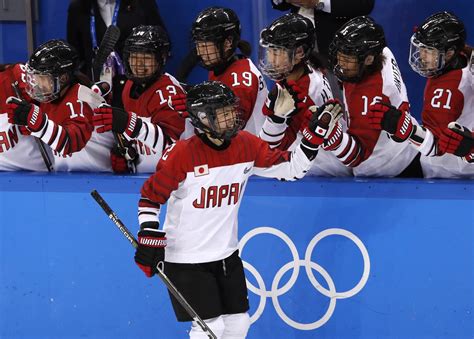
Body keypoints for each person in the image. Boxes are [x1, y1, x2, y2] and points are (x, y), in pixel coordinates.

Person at [132, 81, 341, 338]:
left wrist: (312, 139)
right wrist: (149, 232)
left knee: (238, 324)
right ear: (201, 118)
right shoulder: (181, 154)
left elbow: (293, 169)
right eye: (222, 114)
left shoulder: (246, 144)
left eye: (231, 111)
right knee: (211, 328)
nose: (231, 118)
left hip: (226, 255)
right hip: (186, 260)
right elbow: (150, 198)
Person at [368, 11, 474, 178]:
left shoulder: (448, 89)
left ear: (449, 53)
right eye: (421, 48)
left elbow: (436, 147)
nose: (422, 56)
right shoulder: (462, 57)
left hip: (448, 174)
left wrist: (407, 129)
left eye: (428, 51)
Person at [324, 16, 420, 177]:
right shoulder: (383, 53)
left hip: (387, 171)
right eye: (340, 56)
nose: (341, 64)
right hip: (407, 152)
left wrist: (332, 137)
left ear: (368, 59)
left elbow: (358, 156)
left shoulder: (371, 99)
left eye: (347, 59)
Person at [258, 13, 351, 176]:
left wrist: (276, 119)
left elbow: (271, 148)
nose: (271, 59)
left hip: (324, 174)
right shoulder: (306, 70)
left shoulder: (302, 93)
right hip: (328, 167)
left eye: (277, 52)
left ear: (300, 52)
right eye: (270, 51)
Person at [93, 25, 186, 173]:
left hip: (173, 182)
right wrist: (125, 149)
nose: (139, 65)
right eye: (134, 57)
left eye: (147, 58)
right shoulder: (130, 86)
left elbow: (170, 145)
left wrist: (127, 123)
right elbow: (137, 133)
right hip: (143, 180)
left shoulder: (168, 92)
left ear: (161, 58)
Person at [2, 40, 102, 172]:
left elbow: (72, 142)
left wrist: (38, 123)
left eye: (42, 78)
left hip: (97, 179)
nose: (37, 84)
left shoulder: (81, 98)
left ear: (63, 78)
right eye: (35, 78)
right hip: (69, 178)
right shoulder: (51, 96)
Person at [180, 6, 267, 137]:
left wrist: (195, 108)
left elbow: (228, 130)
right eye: (198, 45)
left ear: (227, 43)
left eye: (204, 46)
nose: (199, 52)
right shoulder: (222, 66)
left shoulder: (240, 82)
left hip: (249, 152)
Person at [67, 0, 168, 107]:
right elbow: (76, 52)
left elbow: (162, 42)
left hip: (136, 85)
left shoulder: (142, 3)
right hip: (96, 85)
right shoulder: (78, 7)